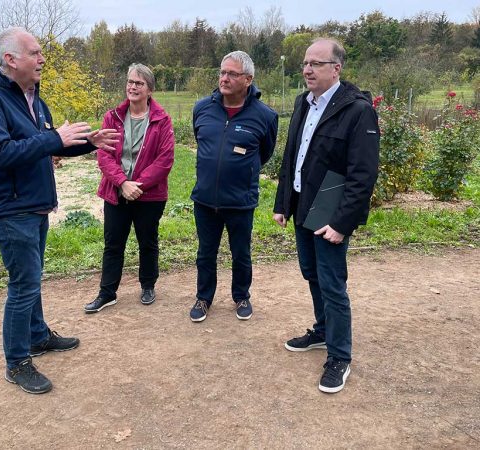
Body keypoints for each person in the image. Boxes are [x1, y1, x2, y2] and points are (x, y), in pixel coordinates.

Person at [0, 27, 119, 394]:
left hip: (34, 207)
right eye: (35, 53)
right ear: (10, 59)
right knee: (23, 285)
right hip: (10, 209)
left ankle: (36, 336)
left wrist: (87, 143)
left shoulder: (31, 96)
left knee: (31, 279)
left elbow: (49, 143)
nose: (43, 59)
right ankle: (17, 363)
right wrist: (54, 138)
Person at [273, 38, 379, 393]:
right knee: (311, 272)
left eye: (316, 64)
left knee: (332, 282)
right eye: (305, 63)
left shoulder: (358, 111)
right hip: (304, 205)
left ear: (336, 68)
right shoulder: (304, 103)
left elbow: (363, 175)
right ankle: (322, 330)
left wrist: (342, 223)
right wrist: (282, 202)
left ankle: (340, 356)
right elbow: (293, 156)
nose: (307, 70)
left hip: (330, 211)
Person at [189, 51, 278, 323]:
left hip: (240, 200)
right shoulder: (202, 108)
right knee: (205, 253)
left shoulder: (265, 116)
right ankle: (204, 298)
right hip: (205, 199)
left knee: (241, 253)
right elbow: (200, 139)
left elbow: (265, 153)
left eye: (232, 74)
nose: (224, 78)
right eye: (222, 72)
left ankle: (242, 296)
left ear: (248, 79)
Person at [85, 64, 175, 313]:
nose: (133, 87)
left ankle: (147, 285)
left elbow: (165, 160)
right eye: (130, 82)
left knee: (147, 241)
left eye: (139, 83)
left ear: (149, 90)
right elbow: (104, 156)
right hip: (116, 191)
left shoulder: (161, 120)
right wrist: (122, 183)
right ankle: (107, 293)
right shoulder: (112, 117)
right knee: (113, 243)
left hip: (149, 195)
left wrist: (138, 185)